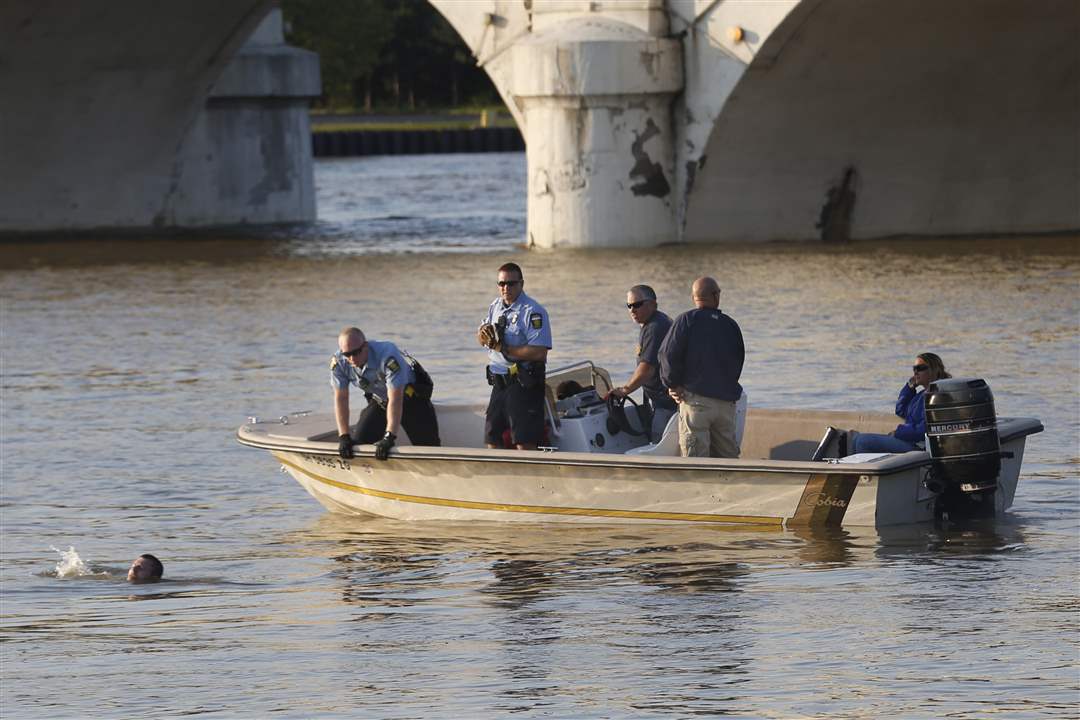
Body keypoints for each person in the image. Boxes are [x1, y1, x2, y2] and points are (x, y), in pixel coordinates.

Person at [659, 276, 745, 458]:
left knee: (696, 461)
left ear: (694, 297)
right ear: (716, 296)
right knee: (727, 460)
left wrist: (673, 385)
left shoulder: (686, 320)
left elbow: (667, 355)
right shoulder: (730, 325)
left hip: (696, 403)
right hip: (725, 405)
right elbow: (738, 361)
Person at [331, 327, 440, 461]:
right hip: (381, 401)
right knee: (358, 445)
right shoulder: (339, 362)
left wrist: (389, 436)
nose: (352, 358)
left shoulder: (387, 355)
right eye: (347, 354)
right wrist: (344, 436)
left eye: (356, 352)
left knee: (430, 451)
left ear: (365, 346)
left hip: (411, 400)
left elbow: (396, 398)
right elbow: (341, 398)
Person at [477, 262, 552, 450]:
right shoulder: (495, 306)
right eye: (502, 284)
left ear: (521, 284)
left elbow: (539, 352)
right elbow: (482, 339)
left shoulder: (533, 311)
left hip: (523, 383)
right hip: (499, 383)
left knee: (524, 442)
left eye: (511, 283)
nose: (506, 288)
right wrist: (483, 334)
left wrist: (504, 348)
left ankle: (532, 470)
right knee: (492, 439)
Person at [607, 284, 676, 442]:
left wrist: (625, 390)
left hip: (667, 405)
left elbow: (647, 369)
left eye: (637, 304)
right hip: (664, 402)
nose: (632, 310)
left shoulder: (655, 328)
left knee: (659, 445)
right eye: (629, 305)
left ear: (653, 304)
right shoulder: (656, 322)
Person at [851, 352, 951, 454]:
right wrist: (909, 386)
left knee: (863, 441)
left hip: (921, 446)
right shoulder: (920, 395)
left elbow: (924, 429)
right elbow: (900, 410)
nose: (916, 372)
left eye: (920, 368)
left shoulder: (938, 396)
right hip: (910, 441)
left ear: (935, 370)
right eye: (914, 369)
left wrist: (898, 432)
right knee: (855, 440)